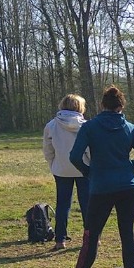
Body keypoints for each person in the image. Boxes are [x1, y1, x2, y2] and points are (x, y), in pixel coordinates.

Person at [49, 86, 134, 268]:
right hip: (129, 187)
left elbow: (75, 156)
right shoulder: (130, 128)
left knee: (91, 236)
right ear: (121, 106)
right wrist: (127, 168)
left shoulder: (90, 127)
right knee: (127, 234)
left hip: (101, 188)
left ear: (102, 105)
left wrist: (89, 172)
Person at [43, 94, 91, 251]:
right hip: (84, 168)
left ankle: (60, 239)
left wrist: (53, 164)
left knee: (62, 204)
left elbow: (48, 150)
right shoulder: (86, 126)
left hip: (61, 168)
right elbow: (90, 149)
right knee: (87, 204)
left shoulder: (51, 125)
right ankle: (91, 238)